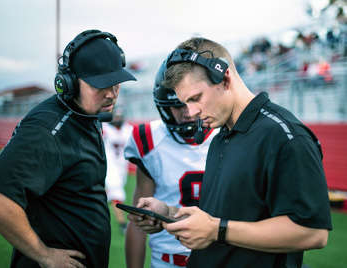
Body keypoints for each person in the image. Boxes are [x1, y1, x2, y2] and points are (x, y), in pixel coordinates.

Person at [135, 37, 332, 268]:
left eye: (195, 98)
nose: (191, 112)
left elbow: (313, 233)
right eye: (185, 103)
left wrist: (216, 230)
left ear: (225, 78)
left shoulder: (284, 136)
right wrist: (169, 213)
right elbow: (225, 217)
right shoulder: (222, 137)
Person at [0, 29, 136, 268]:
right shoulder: (47, 127)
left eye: (116, 84)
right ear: (69, 83)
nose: (112, 94)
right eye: (101, 85)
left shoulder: (86, 114)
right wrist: (44, 255)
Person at [124, 60, 218, 268]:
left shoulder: (227, 134)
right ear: (164, 107)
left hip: (220, 256)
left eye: (193, 100)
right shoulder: (148, 139)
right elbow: (139, 219)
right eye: (178, 105)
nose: (188, 112)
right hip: (168, 261)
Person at [102, 109, 133, 233]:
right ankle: (123, 225)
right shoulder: (105, 128)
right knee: (117, 194)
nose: (118, 119)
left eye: (120, 117)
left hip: (122, 167)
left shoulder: (128, 129)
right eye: (116, 117)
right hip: (110, 165)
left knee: (112, 194)